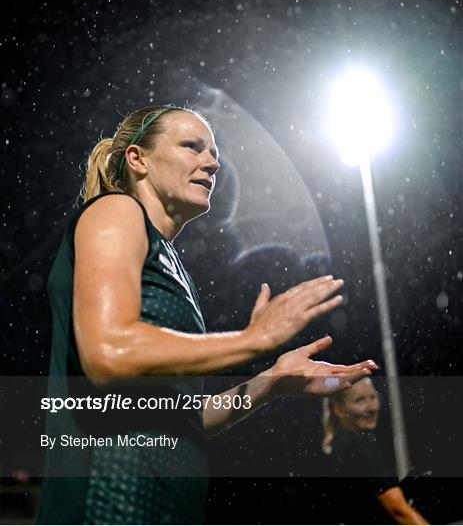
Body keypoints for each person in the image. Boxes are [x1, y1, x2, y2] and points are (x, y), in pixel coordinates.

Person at [37, 105, 378, 524]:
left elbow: (186, 419)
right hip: (108, 502)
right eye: (191, 146)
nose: (213, 162)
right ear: (137, 159)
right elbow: (108, 352)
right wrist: (252, 339)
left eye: (214, 152)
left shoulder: (173, 266)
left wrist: (271, 381)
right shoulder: (115, 211)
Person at [321, 377, 429, 524]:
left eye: (373, 397)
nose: (371, 407)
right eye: (360, 400)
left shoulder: (338, 446)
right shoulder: (357, 445)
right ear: (338, 409)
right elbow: (398, 510)